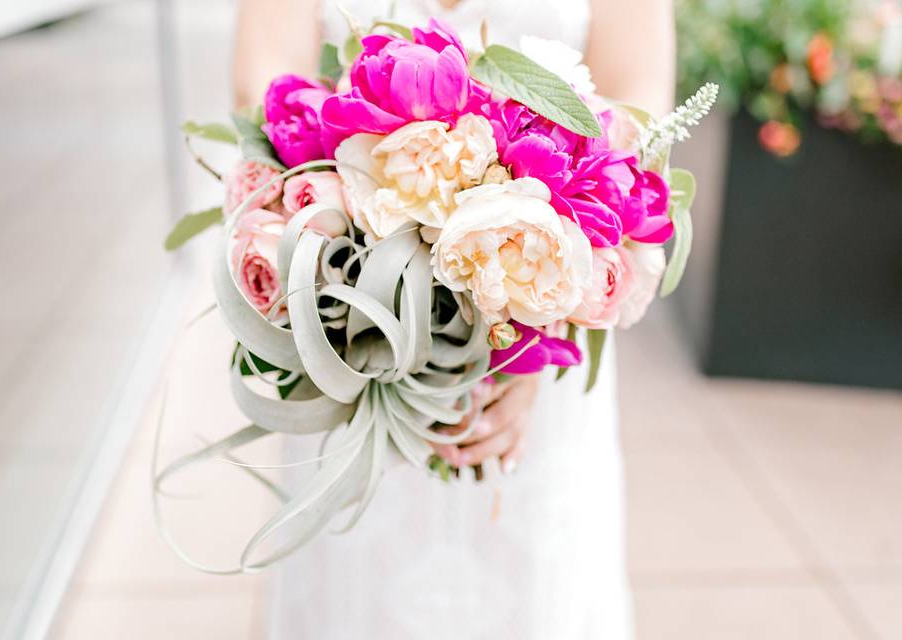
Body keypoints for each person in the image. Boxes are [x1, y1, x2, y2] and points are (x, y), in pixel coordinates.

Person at [233, 1, 674, 637]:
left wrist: (534, 321)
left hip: (540, 342)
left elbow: (640, 104)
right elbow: (262, 81)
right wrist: (354, 264)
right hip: (358, 334)